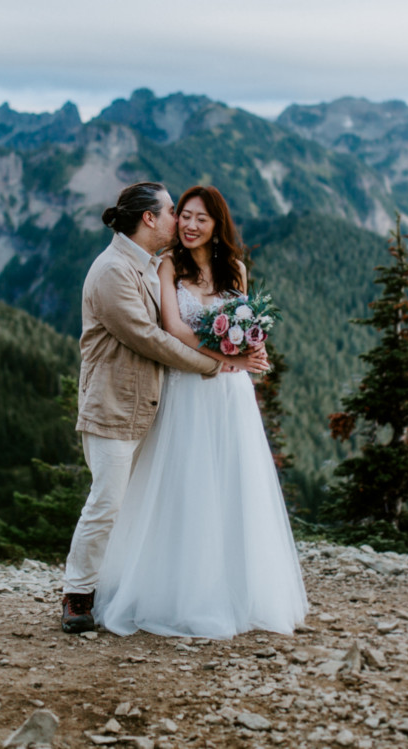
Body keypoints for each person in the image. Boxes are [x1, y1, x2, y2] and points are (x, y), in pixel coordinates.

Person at [92, 185, 309, 639]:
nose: (189, 225)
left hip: (231, 396)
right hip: (188, 386)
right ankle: (176, 593)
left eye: (200, 219)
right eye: (183, 216)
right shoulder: (169, 265)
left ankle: (234, 591)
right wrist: (225, 357)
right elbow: (171, 328)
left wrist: (254, 347)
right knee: (185, 485)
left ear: (217, 226)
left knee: (231, 484)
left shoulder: (237, 270)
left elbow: (248, 324)